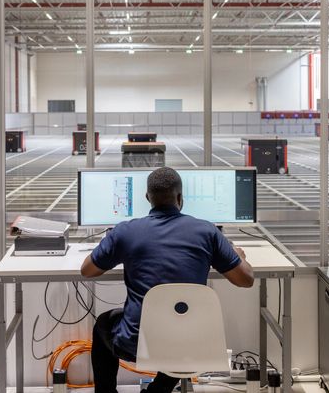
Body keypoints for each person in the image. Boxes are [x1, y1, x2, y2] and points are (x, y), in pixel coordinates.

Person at [81, 166, 255, 393]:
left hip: (137, 345)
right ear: (180, 198)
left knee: (104, 323)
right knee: (178, 326)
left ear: (147, 198)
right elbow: (245, 280)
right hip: (191, 346)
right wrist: (238, 256)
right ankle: (158, 390)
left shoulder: (126, 231)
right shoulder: (208, 232)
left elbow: (87, 271)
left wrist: (116, 249)